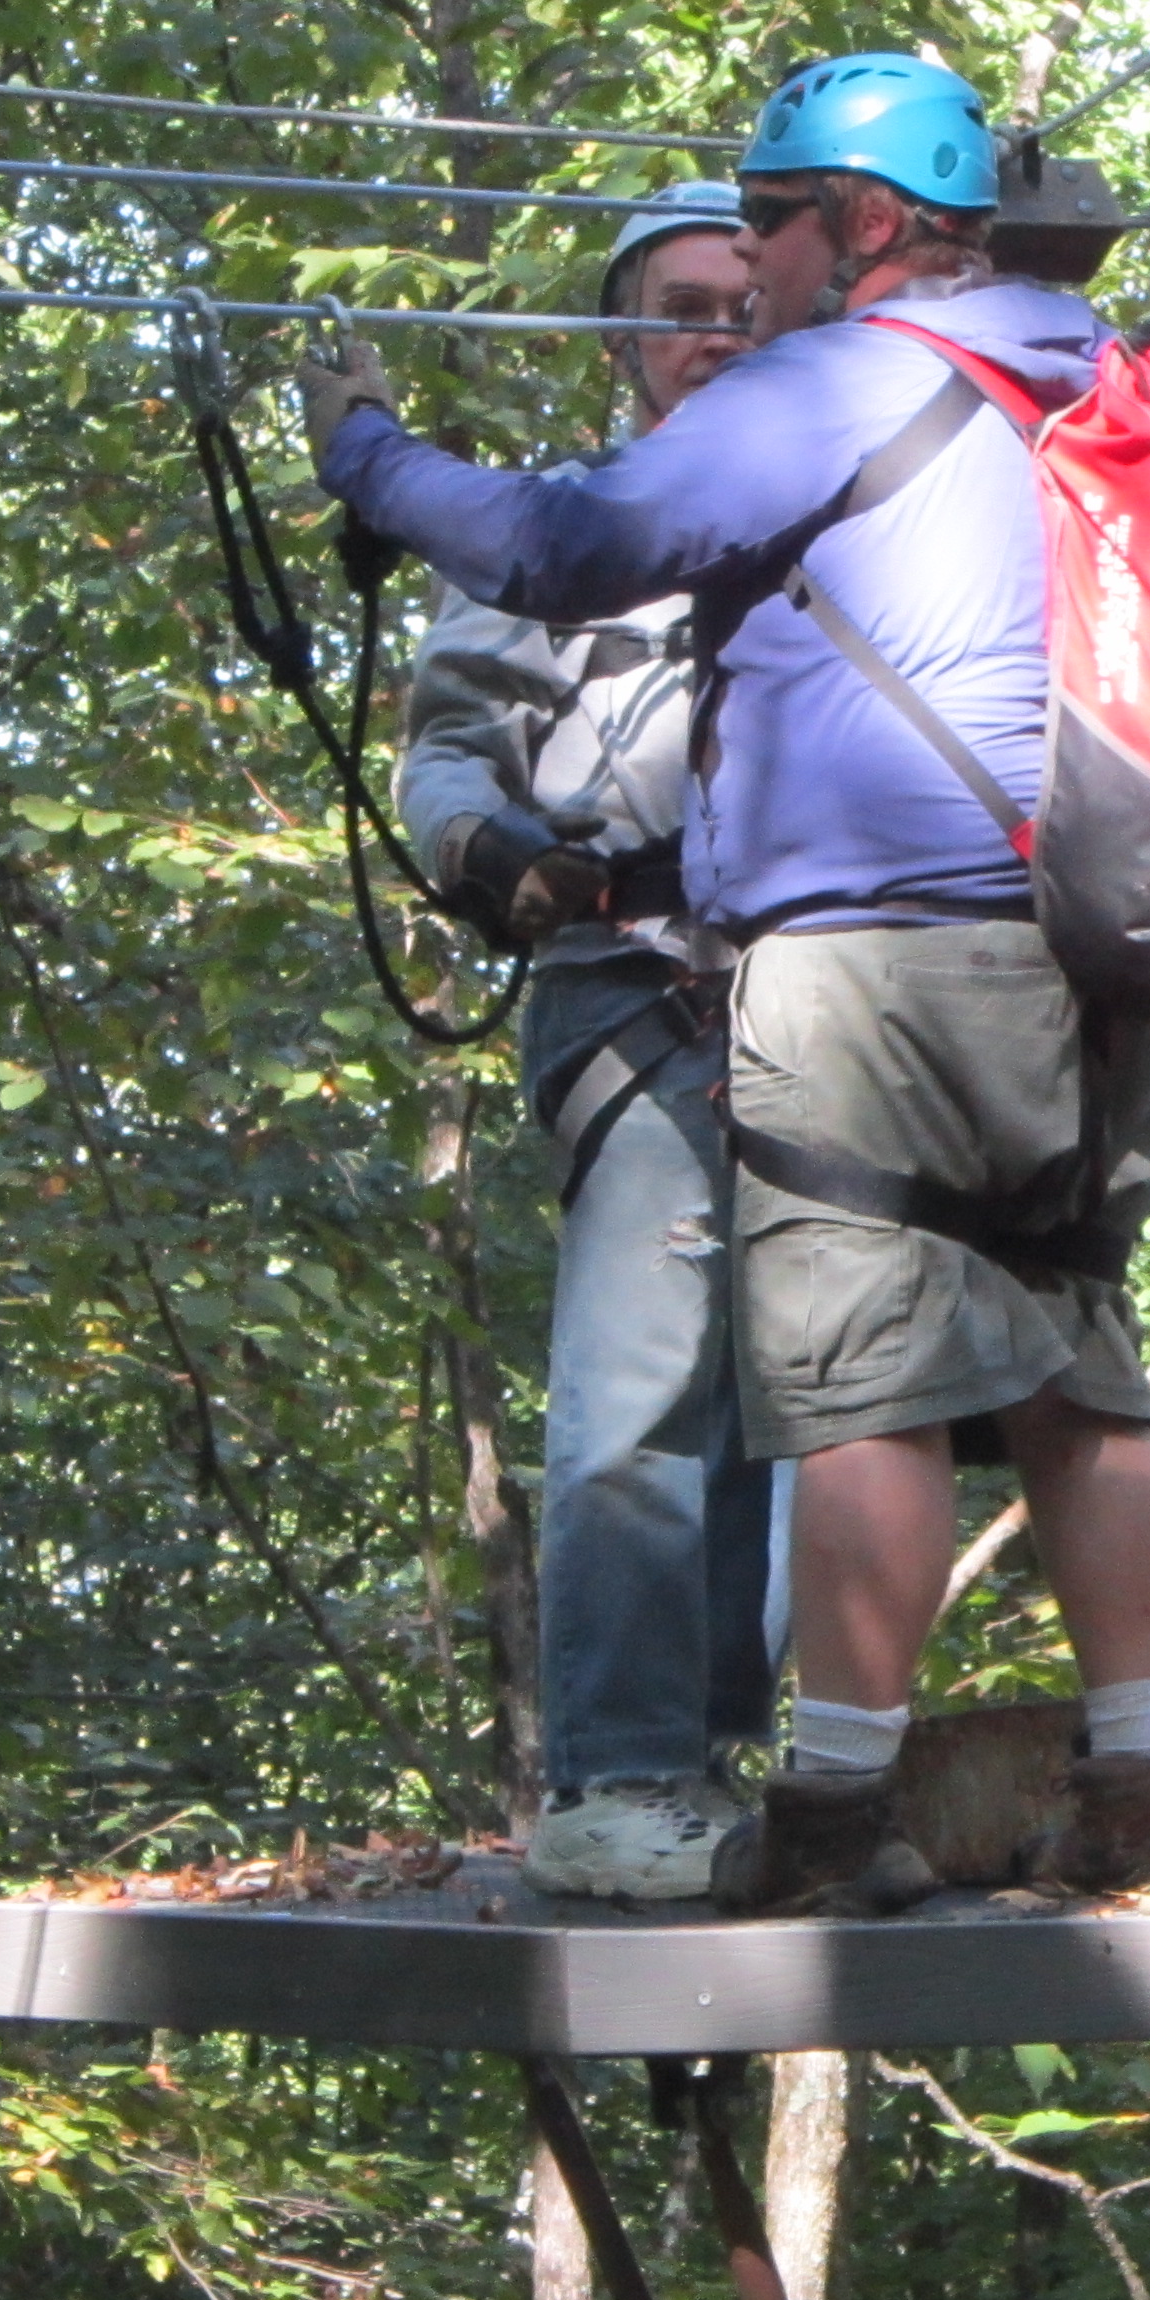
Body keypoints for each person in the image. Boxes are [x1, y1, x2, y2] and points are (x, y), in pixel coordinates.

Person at [316, 53, 1150, 1916]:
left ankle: (831, 1816)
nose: (752, 268)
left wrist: (371, 458)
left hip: (883, 948)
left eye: (770, 218)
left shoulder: (850, 374)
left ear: (869, 221)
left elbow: (576, 549)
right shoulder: (1095, 370)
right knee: (1078, 1375)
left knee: (862, 1387)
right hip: (1113, 950)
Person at [396, 177, 770, 1902]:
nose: (717, 331)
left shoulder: (858, 498)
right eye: (683, 304)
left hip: (839, 982)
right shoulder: (553, 532)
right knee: (641, 1392)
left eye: (744, 300)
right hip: (634, 981)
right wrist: (493, 857)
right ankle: (626, 1770)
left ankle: (757, 1752)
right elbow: (450, 749)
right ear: (624, 338)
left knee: (823, 1391)